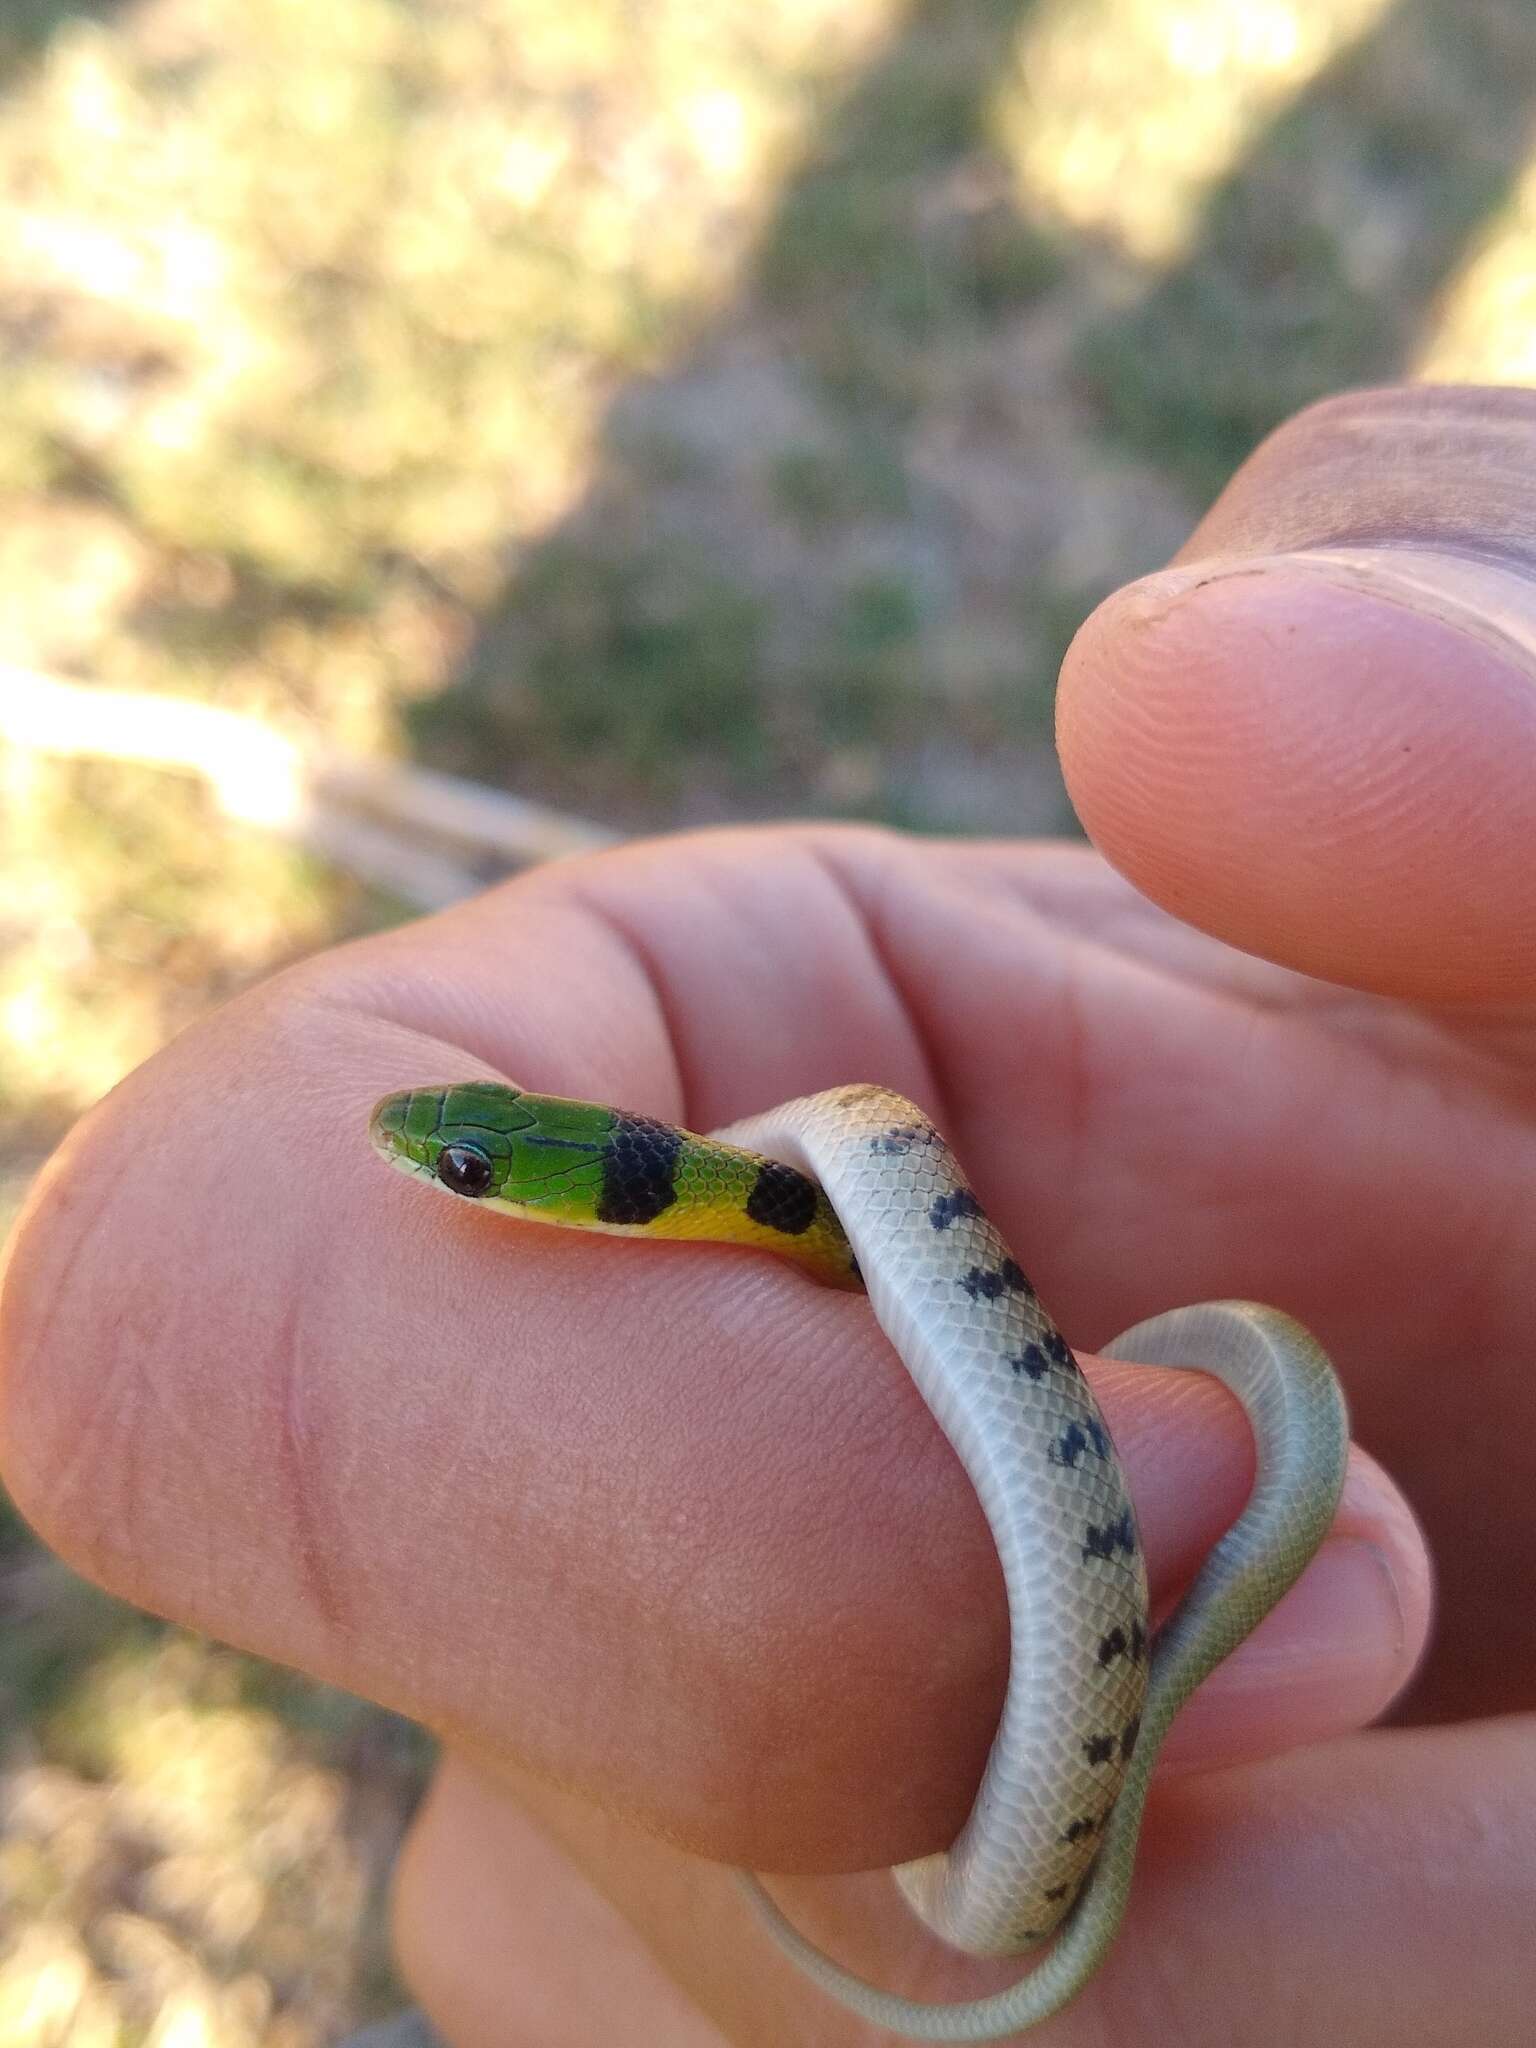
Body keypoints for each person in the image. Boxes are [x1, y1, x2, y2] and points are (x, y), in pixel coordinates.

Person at [2, 382, 1532, 2048]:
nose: (448, 1173)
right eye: (475, 1160)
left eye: (471, 1174)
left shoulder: (827, 1160)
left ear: (602, 1186)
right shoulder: (819, 1147)